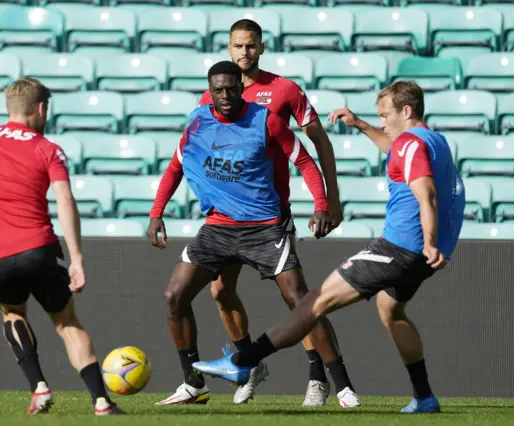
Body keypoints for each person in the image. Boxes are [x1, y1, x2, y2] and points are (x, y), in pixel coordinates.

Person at [193, 81, 466, 414]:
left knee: (314, 302)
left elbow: (427, 194)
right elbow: (397, 152)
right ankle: (424, 397)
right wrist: (361, 126)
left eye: (384, 115)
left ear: (406, 111)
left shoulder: (409, 144)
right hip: (420, 255)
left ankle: (242, 361)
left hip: (401, 246)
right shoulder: (429, 140)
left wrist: (429, 241)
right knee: (390, 310)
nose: (381, 121)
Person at [147, 60, 357, 407]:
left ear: (240, 88)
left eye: (232, 88)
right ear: (210, 91)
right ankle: (194, 383)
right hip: (218, 229)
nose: (226, 95)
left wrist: (321, 204)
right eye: (219, 90)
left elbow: (304, 161)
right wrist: (156, 214)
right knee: (174, 296)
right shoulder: (197, 123)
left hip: (264, 228)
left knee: (301, 300)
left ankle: (344, 386)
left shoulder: (266, 119)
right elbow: (175, 167)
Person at [0, 77, 122, 416]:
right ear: (41, 108)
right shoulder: (46, 148)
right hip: (38, 250)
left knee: (13, 312)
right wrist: (76, 258)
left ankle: (39, 387)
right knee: (66, 323)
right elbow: (65, 199)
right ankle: (101, 401)